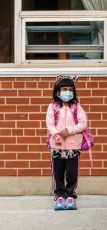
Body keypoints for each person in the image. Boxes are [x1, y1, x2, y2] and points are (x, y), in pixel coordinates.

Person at [46, 75, 88, 211]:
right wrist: (56, 134)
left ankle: (70, 196)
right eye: (64, 89)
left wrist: (69, 130)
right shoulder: (52, 107)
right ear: (58, 91)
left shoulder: (77, 107)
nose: (67, 92)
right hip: (56, 147)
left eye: (70, 89)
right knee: (57, 173)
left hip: (73, 147)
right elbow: (50, 124)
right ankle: (59, 196)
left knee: (72, 173)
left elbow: (83, 123)